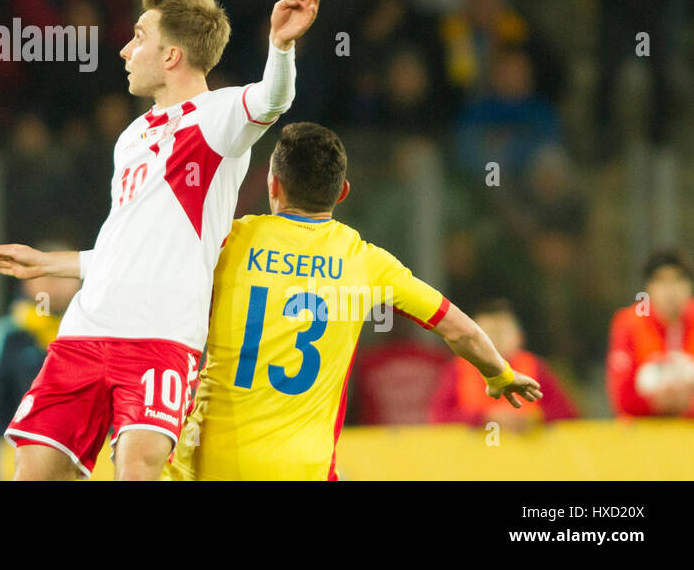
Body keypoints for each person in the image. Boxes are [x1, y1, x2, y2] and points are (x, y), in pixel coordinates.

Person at [0, 0, 319, 480]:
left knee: (137, 467)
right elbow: (127, 247)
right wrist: (51, 262)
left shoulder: (217, 118)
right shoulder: (132, 137)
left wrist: (281, 47)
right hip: (87, 330)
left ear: (173, 55)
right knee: (35, 469)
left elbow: (272, 100)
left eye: (139, 37)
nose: (125, 49)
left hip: (160, 336)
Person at [167, 122, 542, 480]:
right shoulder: (365, 262)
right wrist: (499, 374)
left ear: (274, 185)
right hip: (301, 471)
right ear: (342, 191)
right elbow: (459, 330)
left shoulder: (230, 240)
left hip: (204, 466)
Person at [429, 299, 578, 429]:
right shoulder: (458, 369)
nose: (496, 341)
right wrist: (485, 418)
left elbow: (569, 414)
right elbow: (438, 418)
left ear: (520, 337)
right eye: (486, 334)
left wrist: (534, 418)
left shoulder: (535, 366)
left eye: (503, 332)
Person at [0, 272, 81, 438]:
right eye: (45, 275)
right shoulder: (6, 335)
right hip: (21, 452)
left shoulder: (95, 334)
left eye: (65, 275)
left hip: (95, 455)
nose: (55, 284)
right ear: (27, 282)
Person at [607, 250, 694, 419]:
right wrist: (659, 404)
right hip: (644, 436)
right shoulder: (629, 323)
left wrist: (687, 405)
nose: (670, 290)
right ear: (648, 287)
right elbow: (621, 398)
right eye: (661, 281)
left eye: (678, 280)